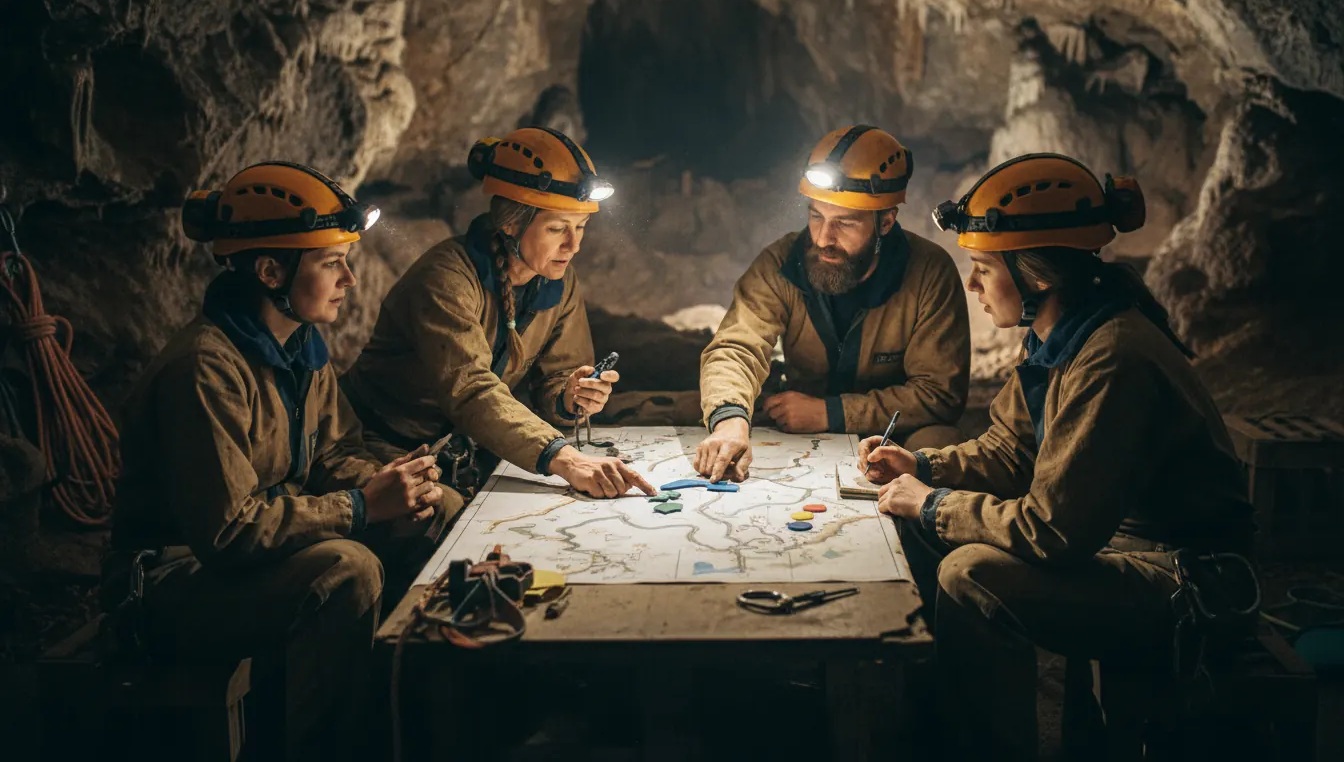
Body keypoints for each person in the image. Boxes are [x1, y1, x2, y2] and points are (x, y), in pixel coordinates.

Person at [859, 153, 1254, 760]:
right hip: (1120, 549)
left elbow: (1053, 531)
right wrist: (922, 469)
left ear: (1035, 274)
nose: (972, 285)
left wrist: (933, 504)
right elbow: (1008, 449)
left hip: (1186, 580)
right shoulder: (1058, 337)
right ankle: (931, 719)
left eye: (983, 268)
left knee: (970, 578)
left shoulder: (1111, 357)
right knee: (916, 525)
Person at [108, 161, 443, 759]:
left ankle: (407, 716)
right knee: (347, 570)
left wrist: (391, 486)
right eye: (330, 261)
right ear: (269, 270)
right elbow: (229, 531)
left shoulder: (298, 347)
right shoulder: (205, 370)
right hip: (168, 583)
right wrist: (362, 506)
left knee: (440, 509)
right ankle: (319, 747)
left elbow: (334, 451)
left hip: (246, 560)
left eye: (348, 258)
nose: (350, 278)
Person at [341, 127, 654, 504]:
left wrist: (571, 396)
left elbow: (555, 379)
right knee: (442, 514)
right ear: (511, 222)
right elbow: (471, 390)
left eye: (581, 227)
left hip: (461, 445)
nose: (574, 245)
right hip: (381, 442)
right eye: (557, 228)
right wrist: (565, 458)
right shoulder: (447, 277)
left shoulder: (557, 280)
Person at [695, 125, 970, 483]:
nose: (825, 238)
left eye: (846, 222)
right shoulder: (781, 264)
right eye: (816, 216)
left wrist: (833, 413)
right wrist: (730, 421)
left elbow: (939, 394)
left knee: (941, 443)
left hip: (891, 440)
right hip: (796, 427)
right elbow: (736, 347)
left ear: (885, 222)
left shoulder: (928, 274)